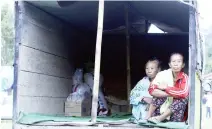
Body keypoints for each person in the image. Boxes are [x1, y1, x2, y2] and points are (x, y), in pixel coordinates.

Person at [146, 53, 189, 123]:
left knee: (182, 99)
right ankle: (148, 117)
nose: (176, 64)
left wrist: (166, 88)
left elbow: (184, 93)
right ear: (170, 64)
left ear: (183, 65)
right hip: (160, 110)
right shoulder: (163, 74)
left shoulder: (185, 78)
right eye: (173, 61)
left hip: (175, 113)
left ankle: (160, 118)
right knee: (158, 95)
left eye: (179, 61)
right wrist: (169, 94)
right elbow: (151, 90)